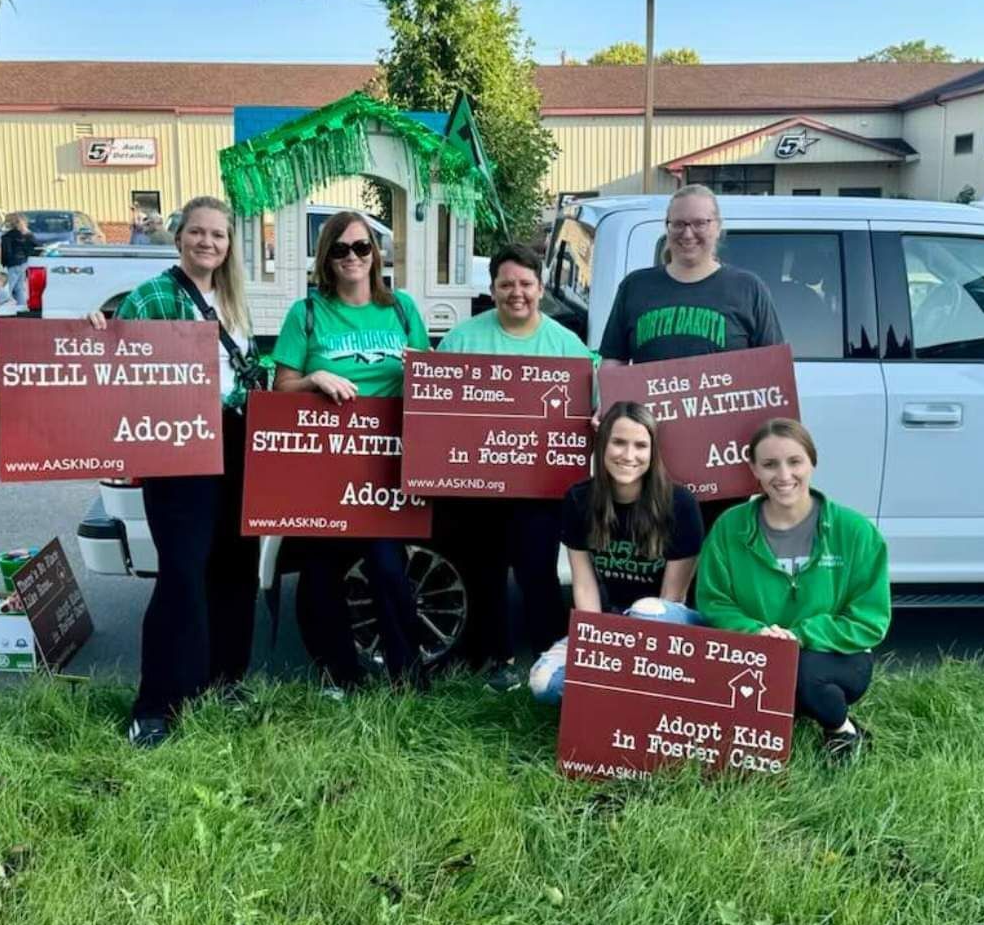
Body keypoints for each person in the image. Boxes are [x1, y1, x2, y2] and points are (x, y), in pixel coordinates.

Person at [89, 196, 262, 748]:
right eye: (198, 232)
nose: (208, 242)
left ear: (229, 245)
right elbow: (116, 361)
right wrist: (98, 328)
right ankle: (156, 703)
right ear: (179, 235)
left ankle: (223, 681)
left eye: (218, 235)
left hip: (235, 443)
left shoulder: (234, 301)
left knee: (235, 571)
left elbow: (246, 373)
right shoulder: (153, 295)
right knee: (182, 576)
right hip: (179, 447)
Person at [272, 211, 431, 691]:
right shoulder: (308, 313)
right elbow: (280, 390)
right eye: (340, 249)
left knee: (388, 566)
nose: (352, 257)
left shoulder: (401, 309)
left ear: (375, 254)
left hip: (385, 460)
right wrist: (313, 379)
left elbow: (429, 381)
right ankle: (339, 675)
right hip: (323, 461)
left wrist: (417, 373)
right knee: (321, 572)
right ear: (326, 258)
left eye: (361, 247)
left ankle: (408, 678)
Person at [436, 242, 595, 690]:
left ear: (541, 289)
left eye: (525, 284)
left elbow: (590, 405)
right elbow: (434, 406)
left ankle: (549, 658)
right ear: (492, 289)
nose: (516, 292)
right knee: (483, 573)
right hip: (477, 485)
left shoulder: (566, 345)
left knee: (537, 573)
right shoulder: (462, 339)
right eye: (506, 284)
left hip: (540, 488)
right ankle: (494, 659)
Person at [695, 418, 890, 759]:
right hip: (755, 649)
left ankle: (841, 731)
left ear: (812, 462)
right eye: (770, 464)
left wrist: (800, 635)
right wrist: (756, 632)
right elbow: (714, 601)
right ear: (753, 467)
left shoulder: (856, 532)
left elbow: (870, 619)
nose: (783, 476)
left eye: (795, 461)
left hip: (835, 654)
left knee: (802, 677)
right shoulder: (730, 527)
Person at [598, 183, 785, 533]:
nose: (688, 233)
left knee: (712, 556)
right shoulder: (636, 287)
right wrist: (607, 407)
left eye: (700, 223)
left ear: (718, 227)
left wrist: (770, 454)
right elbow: (613, 362)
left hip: (723, 463)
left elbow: (771, 377)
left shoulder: (748, 288)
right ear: (667, 228)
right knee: (653, 552)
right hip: (649, 456)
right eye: (678, 224)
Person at [530, 401, 705, 703]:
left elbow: (673, 597)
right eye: (619, 443)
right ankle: (614, 698)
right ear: (602, 444)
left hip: (669, 622)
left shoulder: (680, 504)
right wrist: (596, 646)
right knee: (543, 683)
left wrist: (629, 654)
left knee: (647, 609)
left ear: (653, 452)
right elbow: (583, 585)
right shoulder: (579, 500)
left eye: (640, 445)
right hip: (611, 622)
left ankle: (635, 690)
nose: (628, 455)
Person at [0, 213, 36, 306]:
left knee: (9, 285)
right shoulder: (27, 235)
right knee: (19, 287)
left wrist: (4, 263)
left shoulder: (8, 236)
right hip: (23, 262)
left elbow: (6, 251)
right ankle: (21, 305)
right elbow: (34, 247)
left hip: (13, 263)